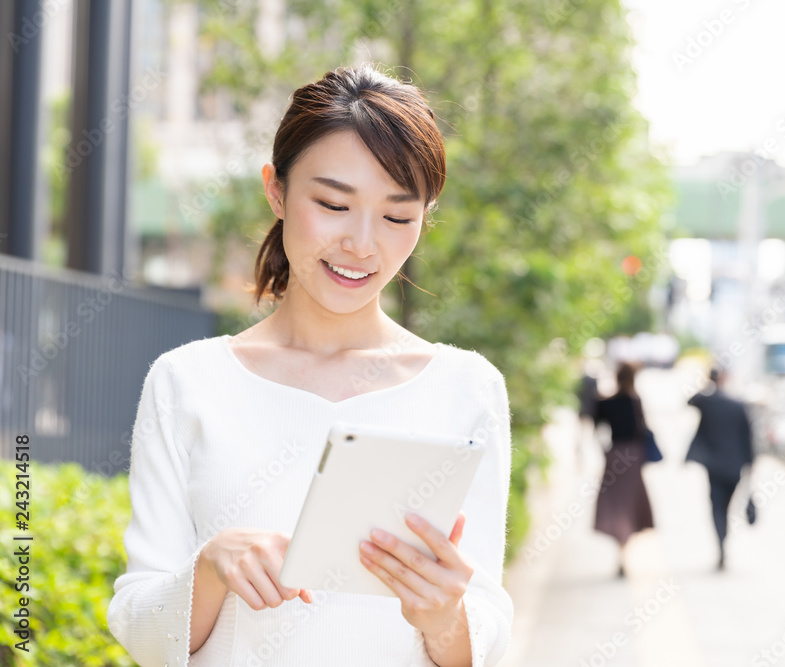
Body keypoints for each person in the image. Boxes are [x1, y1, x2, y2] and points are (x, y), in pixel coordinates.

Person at [107, 64, 514, 667]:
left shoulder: (467, 389)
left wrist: (444, 618)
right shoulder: (187, 383)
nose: (362, 244)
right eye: (332, 204)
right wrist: (213, 567)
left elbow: (486, 630)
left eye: (398, 217)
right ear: (276, 189)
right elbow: (141, 629)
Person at [685, 367, 755, 571]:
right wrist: (750, 465)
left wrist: (708, 385)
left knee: (717, 508)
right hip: (734, 466)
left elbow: (690, 401)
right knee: (725, 507)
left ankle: (721, 542)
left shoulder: (708, 402)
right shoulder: (738, 405)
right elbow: (749, 439)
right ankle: (723, 541)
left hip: (714, 466)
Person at [592, 361, 655, 577]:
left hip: (614, 455)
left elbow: (597, 428)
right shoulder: (634, 401)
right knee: (629, 504)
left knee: (616, 504)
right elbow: (642, 430)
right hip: (633, 456)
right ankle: (624, 547)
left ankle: (621, 548)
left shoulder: (606, 402)